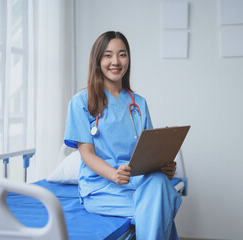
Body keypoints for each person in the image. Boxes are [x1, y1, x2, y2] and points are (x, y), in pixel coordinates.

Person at [64, 31, 182, 239]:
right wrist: (113, 174)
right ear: (98, 60)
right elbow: (87, 154)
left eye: (122, 54)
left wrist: (164, 167)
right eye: (108, 55)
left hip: (137, 182)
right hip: (101, 187)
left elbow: (149, 151)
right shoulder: (81, 102)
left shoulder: (139, 103)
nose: (116, 61)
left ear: (128, 59)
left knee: (160, 182)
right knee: (161, 203)